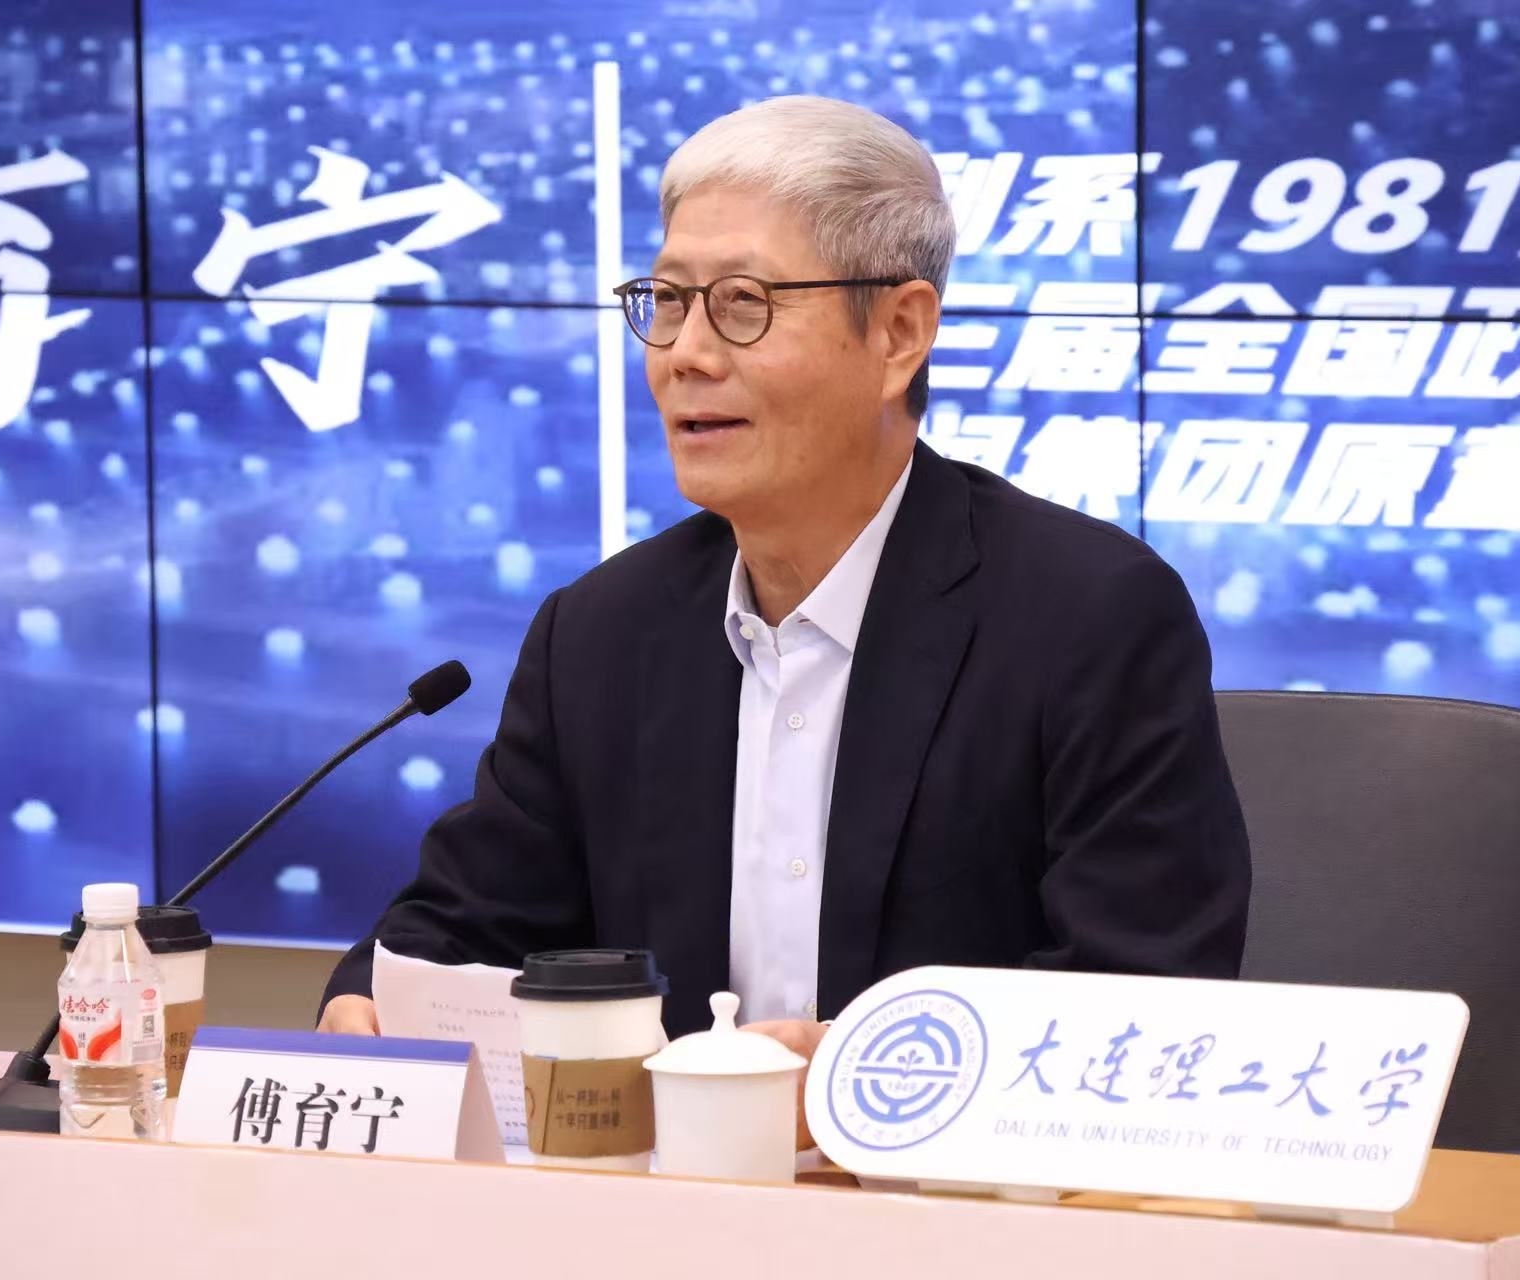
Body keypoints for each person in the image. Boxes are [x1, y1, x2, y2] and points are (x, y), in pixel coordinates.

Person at [319, 96, 1251, 1084]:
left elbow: (1138, 998)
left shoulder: (1088, 617)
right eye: (667, 300)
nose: (685, 353)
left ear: (899, 333)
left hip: (947, 1179)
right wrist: (367, 1001)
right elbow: (462, 927)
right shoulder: (600, 632)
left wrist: (860, 1081)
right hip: (663, 1177)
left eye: (744, 303)